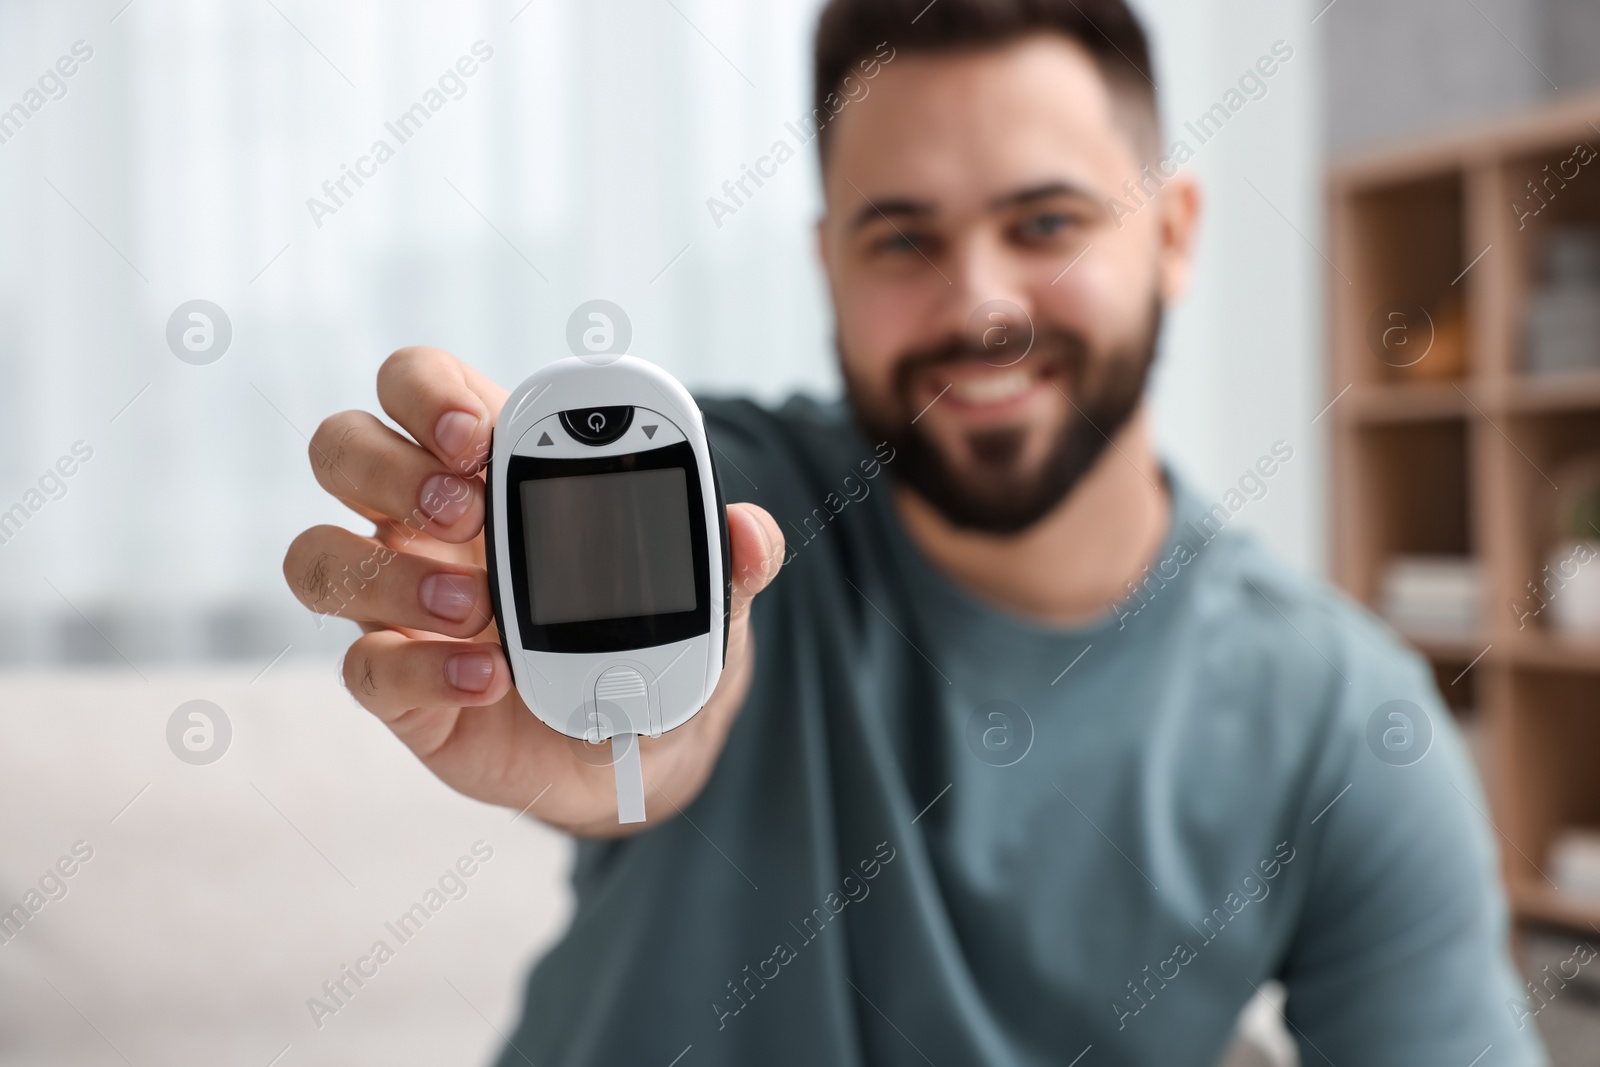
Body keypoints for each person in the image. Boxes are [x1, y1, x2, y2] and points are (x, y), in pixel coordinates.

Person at [283, 1, 1546, 1063]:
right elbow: (691, 695)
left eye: (1046, 223)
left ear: (1171, 236)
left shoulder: (1339, 721)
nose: (982, 306)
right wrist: (622, 739)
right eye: (904, 238)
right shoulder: (735, 497)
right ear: (829, 266)